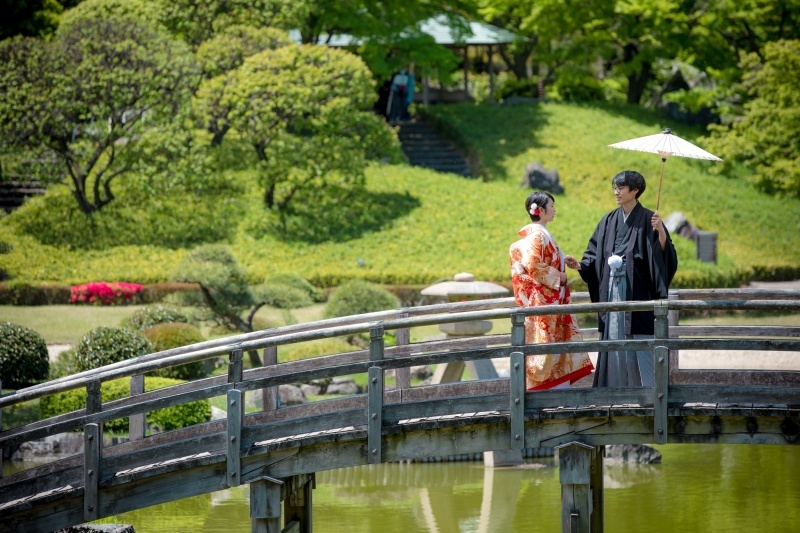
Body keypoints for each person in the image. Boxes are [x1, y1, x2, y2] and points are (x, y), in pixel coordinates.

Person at [565, 170, 678, 387]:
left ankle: (647, 392)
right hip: (611, 292)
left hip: (637, 292)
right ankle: (614, 389)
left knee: (639, 339)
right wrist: (581, 265)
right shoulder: (608, 220)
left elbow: (665, 257)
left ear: (635, 191)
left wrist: (661, 232)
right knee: (613, 336)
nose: (616, 192)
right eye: (615, 187)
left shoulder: (648, 219)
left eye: (621, 188)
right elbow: (594, 253)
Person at [509, 191, 594, 390]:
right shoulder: (538, 235)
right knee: (546, 346)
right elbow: (534, 266)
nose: (555, 210)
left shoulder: (538, 234)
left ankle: (554, 389)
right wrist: (559, 276)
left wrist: (562, 263)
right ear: (540, 211)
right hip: (545, 300)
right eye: (552, 206)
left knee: (552, 346)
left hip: (548, 299)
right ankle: (549, 392)